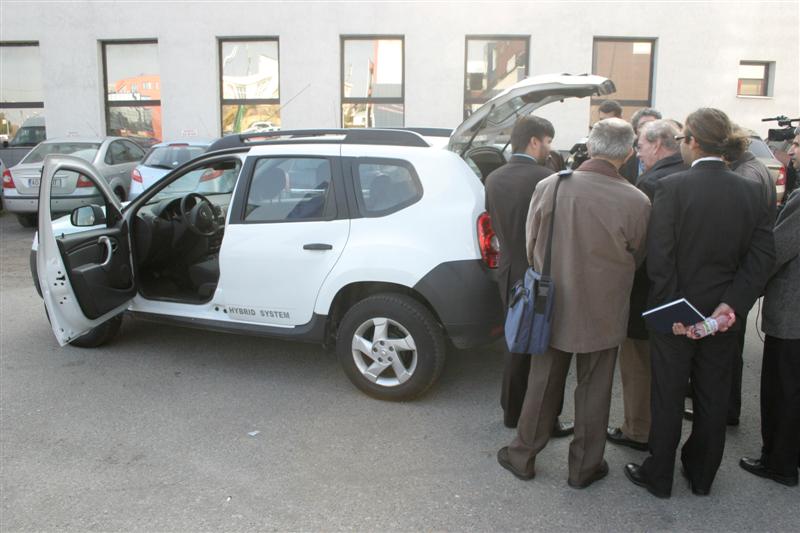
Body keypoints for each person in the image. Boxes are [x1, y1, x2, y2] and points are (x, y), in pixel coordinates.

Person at [625, 108, 775, 498]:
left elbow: (661, 258)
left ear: (691, 140)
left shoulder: (671, 188)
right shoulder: (752, 190)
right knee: (712, 396)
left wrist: (674, 312)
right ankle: (702, 474)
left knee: (668, 395)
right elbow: (761, 258)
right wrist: (731, 306)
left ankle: (659, 475)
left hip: (677, 313)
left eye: (682, 139)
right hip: (723, 316)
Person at [497, 118, 650, 488]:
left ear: (591, 145)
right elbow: (639, 255)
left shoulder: (551, 185)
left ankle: (523, 455)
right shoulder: (637, 200)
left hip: (552, 302)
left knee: (542, 382)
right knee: (596, 389)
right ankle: (583, 468)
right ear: (628, 153)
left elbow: (532, 246)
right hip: (606, 306)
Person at [484, 116, 573, 436]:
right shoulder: (548, 178)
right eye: (548, 141)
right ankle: (546, 419)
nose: (549, 148)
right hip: (544, 273)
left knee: (515, 342)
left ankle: (511, 412)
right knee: (547, 349)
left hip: (509, 269)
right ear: (534, 141)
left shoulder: (493, 178)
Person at [607, 120, 685, 452]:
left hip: (646, 292)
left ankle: (638, 429)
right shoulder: (687, 174)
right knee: (665, 365)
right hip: (681, 290)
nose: (636, 152)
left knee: (638, 364)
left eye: (639, 145)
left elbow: (642, 246)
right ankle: (660, 427)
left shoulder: (652, 183)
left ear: (656, 144)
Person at [739, 131, 800, 487]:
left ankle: (778, 462)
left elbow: (776, 252)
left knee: (784, 391)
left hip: (792, 316)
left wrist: (747, 287)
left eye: (795, 145)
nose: (789, 151)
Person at [620, 108, 663, 183]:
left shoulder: (667, 151)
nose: (648, 128)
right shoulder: (625, 152)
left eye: (652, 124)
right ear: (635, 130)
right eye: (643, 125)